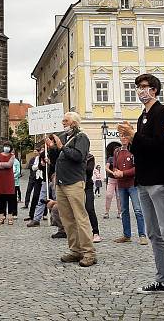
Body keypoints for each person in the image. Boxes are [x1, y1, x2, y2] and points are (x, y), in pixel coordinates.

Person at [118, 73, 164, 306]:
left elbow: (160, 146)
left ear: (155, 90)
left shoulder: (162, 112)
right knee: (152, 232)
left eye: (145, 87)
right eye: (138, 87)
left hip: (159, 179)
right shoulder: (142, 116)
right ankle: (163, 279)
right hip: (144, 180)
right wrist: (131, 140)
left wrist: (135, 137)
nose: (141, 91)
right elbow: (142, 149)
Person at [52, 111, 96, 266]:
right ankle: (75, 250)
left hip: (74, 182)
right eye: (63, 120)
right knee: (67, 219)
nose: (63, 122)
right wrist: (52, 148)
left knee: (80, 218)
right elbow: (57, 159)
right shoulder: (66, 137)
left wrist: (61, 147)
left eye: (66, 120)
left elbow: (78, 156)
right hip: (62, 183)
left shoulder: (81, 137)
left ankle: (89, 253)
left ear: (74, 123)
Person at [111, 133, 148, 245]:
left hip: (133, 184)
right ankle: (126, 235)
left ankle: (142, 235)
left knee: (138, 210)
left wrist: (123, 173)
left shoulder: (134, 150)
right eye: (121, 136)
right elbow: (114, 166)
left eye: (125, 136)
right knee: (124, 211)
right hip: (121, 185)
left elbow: (138, 167)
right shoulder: (117, 151)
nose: (123, 138)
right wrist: (116, 172)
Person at [0, 141, 18, 224]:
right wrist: (3, 165)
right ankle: (2, 215)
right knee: (1, 197)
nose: (6, 147)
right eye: (5, 146)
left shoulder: (12, 156)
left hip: (9, 179)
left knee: (10, 197)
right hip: (0, 178)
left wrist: (0, 164)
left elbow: (9, 165)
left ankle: (10, 216)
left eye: (8, 146)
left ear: (10, 147)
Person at [84, 153, 102, 243]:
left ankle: (96, 232)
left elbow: (89, 170)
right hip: (75, 186)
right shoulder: (73, 155)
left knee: (89, 208)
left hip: (87, 186)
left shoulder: (90, 157)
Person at [103, 154, 121, 219]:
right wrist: (112, 172)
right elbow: (106, 168)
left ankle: (120, 212)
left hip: (119, 180)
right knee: (108, 195)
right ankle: (106, 212)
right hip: (111, 179)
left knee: (119, 197)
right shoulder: (110, 158)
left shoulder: (121, 158)